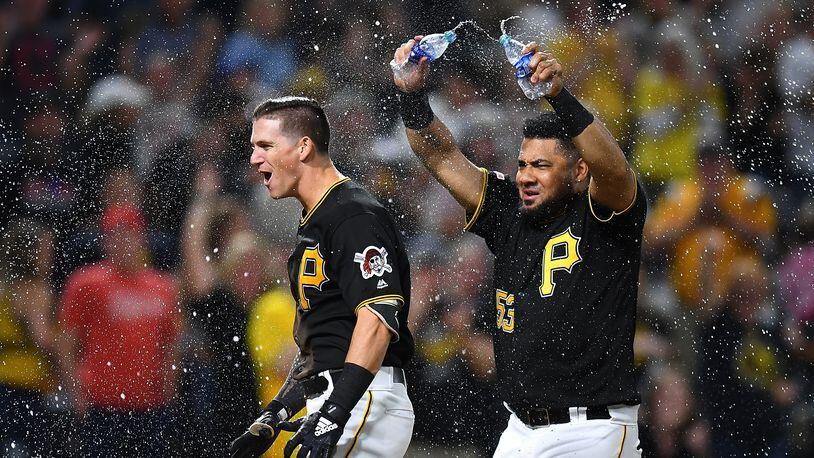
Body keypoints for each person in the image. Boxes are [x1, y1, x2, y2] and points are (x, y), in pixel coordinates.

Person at [392, 36, 646, 456]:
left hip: (592, 429)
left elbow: (615, 170)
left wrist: (558, 96)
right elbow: (441, 157)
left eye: (542, 166)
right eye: (523, 164)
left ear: (580, 171)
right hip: (520, 429)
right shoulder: (511, 210)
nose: (526, 175)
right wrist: (412, 95)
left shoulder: (604, 215)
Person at [230, 96, 415, 458]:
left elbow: (378, 320)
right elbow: (323, 345)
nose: (254, 158)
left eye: (265, 146)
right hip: (344, 400)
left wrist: (334, 413)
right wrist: (277, 411)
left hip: (363, 399)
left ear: (303, 147)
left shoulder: (353, 215)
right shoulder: (318, 218)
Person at [57, 203, 182, 457]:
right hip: (102, 406)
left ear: (141, 239)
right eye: (114, 235)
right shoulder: (87, 283)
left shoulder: (163, 286)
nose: (121, 243)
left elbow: (172, 344)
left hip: (150, 406)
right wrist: (77, 395)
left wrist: (170, 390)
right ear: (104, 241)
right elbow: (66, 343)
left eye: (128, 235)